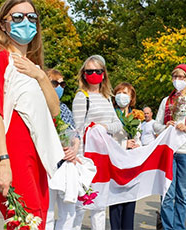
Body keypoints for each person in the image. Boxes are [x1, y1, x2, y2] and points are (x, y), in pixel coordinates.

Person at [0, 1, 64, 229]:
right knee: (26, 223)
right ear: (3, 24)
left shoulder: (33, 67)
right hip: (14, 155)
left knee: (39, 220)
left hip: (37, 157)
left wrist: (41, 76)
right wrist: (2, 162)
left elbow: (54, 110)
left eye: (32, 17)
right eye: (17, 17)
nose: (26, 22)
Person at [72, 55, 123, 230]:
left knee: (100, 204)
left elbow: (117, 125)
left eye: (97, 71)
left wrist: (103, 126)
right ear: (84, 74)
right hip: (86, 157)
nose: (94, 74)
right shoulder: (82, 97)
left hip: (103, 157)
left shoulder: (107, 97)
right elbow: (76, 131)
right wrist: (78, 159)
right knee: (81, 203)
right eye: (90, 71)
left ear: (104, 74)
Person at [154, 64, 186, 230]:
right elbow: (155, 125)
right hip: (169, 151)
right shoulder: (166, 100)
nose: (178, 80)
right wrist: (165, 126)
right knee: (167, 194)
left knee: (182, 195)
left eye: (181, 77)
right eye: (175, 77)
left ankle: (179, 227)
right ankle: (168, 227)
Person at [45, 69, 81, 230]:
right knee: (47, 213)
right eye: (55, 83)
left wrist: (74, 149)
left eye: (62, 83)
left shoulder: (64, 108)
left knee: (69, 212)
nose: (59, 87)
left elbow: (75, 134)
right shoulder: (39, 107)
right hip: (47, 165)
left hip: (65, 165)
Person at [109, 82, 141, 230]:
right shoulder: (111, 114)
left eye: (126, 93)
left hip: (131, 163)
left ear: (132, 97)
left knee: (130, 201)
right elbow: (107, 140)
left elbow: (140, 138)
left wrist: (137, 144)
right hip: (116, 162)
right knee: (116, 202)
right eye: (120, 92)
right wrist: (123, 145)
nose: (122, 96)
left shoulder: (136, 116)